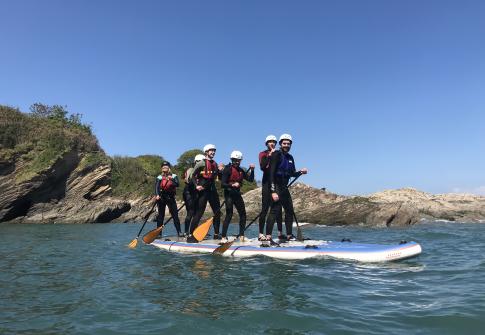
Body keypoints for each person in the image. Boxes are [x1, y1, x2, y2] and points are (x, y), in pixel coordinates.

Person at [265, 134, 308, 243]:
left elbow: (292, 173)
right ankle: (268, 237)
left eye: (288, 144)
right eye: (284, 143)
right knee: (274, 210)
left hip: (285, 187)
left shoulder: (290, 158)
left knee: (290, 210)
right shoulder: (276, 155)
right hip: (276, 186)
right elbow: (271, 173)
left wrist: (300, 172)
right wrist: (273, 191)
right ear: (280, 144)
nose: (286, 145)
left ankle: (289, 235)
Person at [188, 144, 224, 241]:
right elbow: (193, 176)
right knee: (199, 213)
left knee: (217, 212)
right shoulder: (201, 163)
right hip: (203, 191)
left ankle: (216, 234)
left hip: (212, 190)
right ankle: (191, 234)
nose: (213, 152)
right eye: (211, 150)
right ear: (206, 152)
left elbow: (219, 177)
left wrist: (220, 171)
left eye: (214, 151)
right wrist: (197, 185)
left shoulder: (215, 164)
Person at [220, 151, 255, 243]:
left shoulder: (241, 170)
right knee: (229, 214)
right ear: (232, 160)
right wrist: (232, 185)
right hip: (229, 194)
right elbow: (223, 184)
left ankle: (242, 235)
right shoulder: (227, 169)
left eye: (238, 160)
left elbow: (250, 180)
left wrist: (252, 170)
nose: (237, 162)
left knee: (243, 214)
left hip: (237, 194)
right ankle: (223, 236)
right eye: (235, 160)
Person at [258, 135, 285, 241]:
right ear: (266, 143)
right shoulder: (263, 154)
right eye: (270, 142)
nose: (272, 143)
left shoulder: (279, 154)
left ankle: (279, 233)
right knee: (264, 209)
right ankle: (261, 234)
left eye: (274, 142)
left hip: (276, 182)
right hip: (266, 183)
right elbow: (262, 167)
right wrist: (270, 155)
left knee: (278, 208)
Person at [155, 161, 182, 236]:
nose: (164, 167)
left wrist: (171, 179)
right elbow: (156, 187)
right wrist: (157, 195)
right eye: (163, 166)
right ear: (161, 168)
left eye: (166, 166)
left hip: (170, 197)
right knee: (160, 216)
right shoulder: (159, 177)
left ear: (169, 168)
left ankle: (179, 232)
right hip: (161, 198)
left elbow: (177, 184)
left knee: (175, 215)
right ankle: (159, 234)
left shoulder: (173, 176)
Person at [182, 154, 205, 236]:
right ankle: (186, 231)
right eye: (198, 161)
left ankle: (194, 230)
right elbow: (189, 180)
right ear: (195, 162)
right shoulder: (191, 170)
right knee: (190, 212)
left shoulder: (203, 171)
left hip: (196, 193)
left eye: (201, 162)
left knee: (196, 214)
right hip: (188, 192)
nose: (200, 163)